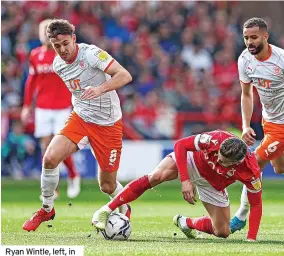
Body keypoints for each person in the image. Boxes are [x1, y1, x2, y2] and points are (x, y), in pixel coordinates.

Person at [22, 19, 132, 232]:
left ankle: (124, 207)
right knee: (50, 158)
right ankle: (46, 208)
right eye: (57, 46)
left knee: (107, 185)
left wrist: (100, 89)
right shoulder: (57, 64)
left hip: (108, 123)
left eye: (65, 43)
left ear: (74, 39)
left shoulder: (92, 54)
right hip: (81, 117)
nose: (62, 50)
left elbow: (124, 75)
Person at [93, 130, 262, 241]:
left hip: (212, 184)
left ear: (238, 162)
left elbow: (256, 204)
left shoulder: (251, 171)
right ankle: (106, 209)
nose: (218, 161)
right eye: (218, 156)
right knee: (157, 175)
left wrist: (251, 239)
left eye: (224, 162)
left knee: (223, 232)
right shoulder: (214, 139)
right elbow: (181, 145)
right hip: (193, 162)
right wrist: (185, 180)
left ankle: (186, 222)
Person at [230, 17, 284, 233]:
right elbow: (246, 94)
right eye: (246, 38)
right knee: (280, 168)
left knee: (253, 163)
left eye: (253, 37)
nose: (249, 42)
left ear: (265, 36)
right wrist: (245, 125)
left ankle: (240, 216)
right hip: (268, 121)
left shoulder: (281, 60)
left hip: (282, 126)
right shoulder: (244, 60)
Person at [21, 19, 81, 199]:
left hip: (62, 106)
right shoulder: (35, 55)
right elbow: (31, 82)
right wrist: (26, 106)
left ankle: (72, 175)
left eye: (46, 32)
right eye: (41, 32)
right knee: (46, 148)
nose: (43, 36)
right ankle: (52, 189)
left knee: (60, 146)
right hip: (42, 107)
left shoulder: (63, 55)